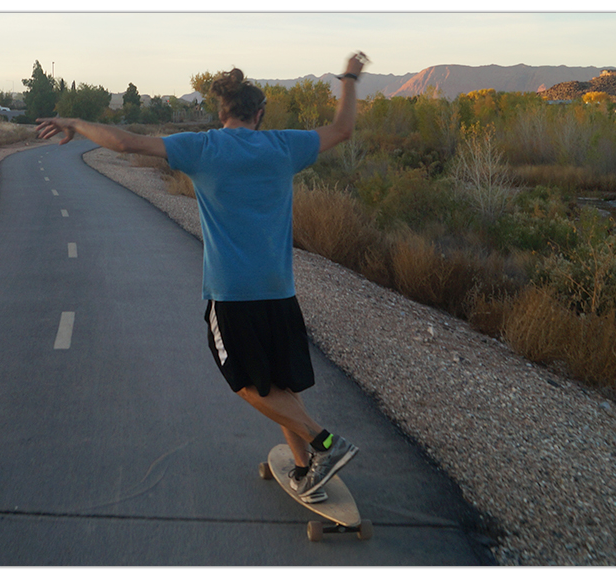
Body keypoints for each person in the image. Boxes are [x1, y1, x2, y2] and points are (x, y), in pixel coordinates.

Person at [36, 52, 370, 502]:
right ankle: (307, 468)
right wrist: (349, 77)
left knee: (248, 386)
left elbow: (123, 143)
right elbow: (343, 129)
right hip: (279, 290)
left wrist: (75, 121)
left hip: (231, 293)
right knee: (279, 385)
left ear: (222, 112)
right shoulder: (284, 146)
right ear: (259, 113)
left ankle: (326, 444)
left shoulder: (204, 148)